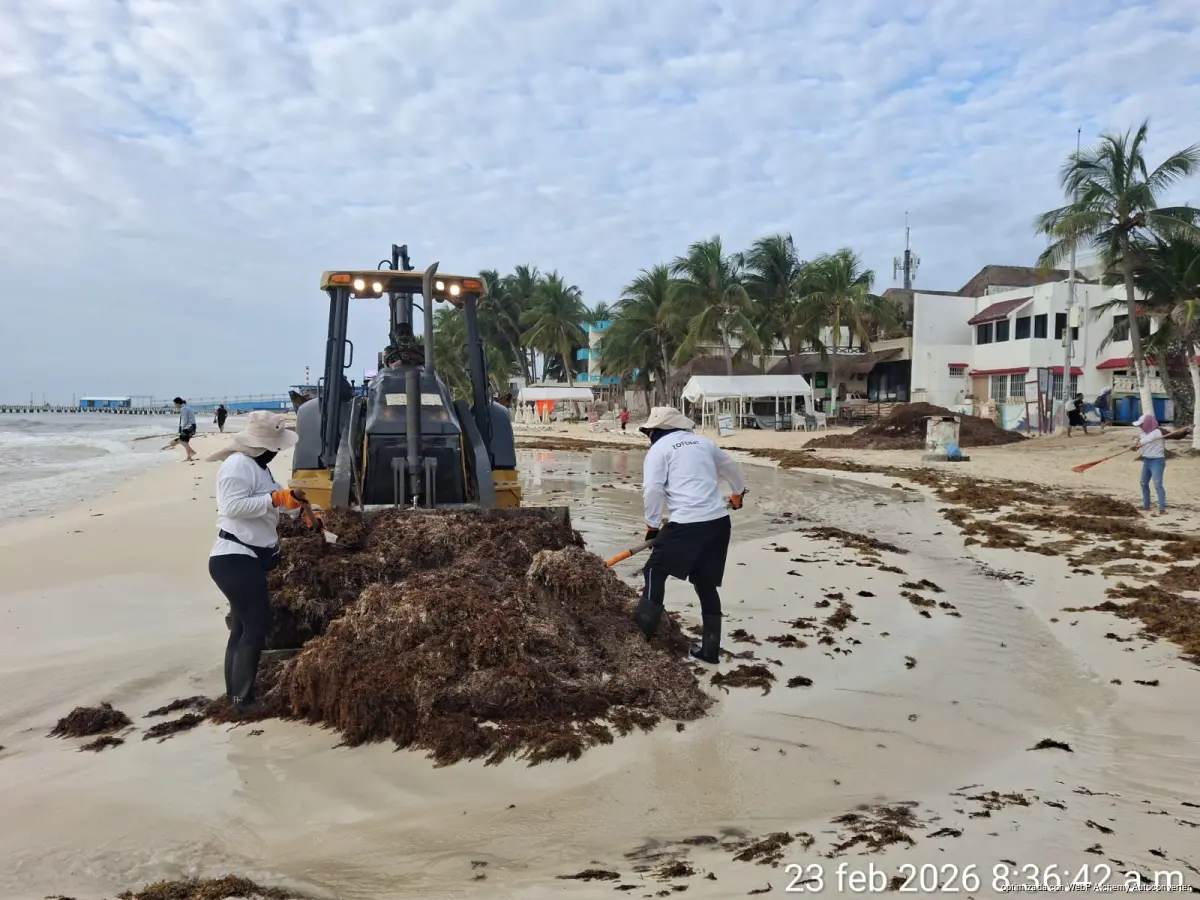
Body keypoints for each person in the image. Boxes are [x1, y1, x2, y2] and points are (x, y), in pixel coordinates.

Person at [207, 411, 306, 713]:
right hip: (234, 557)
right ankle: (244, 701)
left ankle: (235, 696)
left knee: (241, 628)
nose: (278, 451)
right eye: (277, 446)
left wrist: (300, 508)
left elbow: (276, 503)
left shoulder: (260, 468)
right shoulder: (238, 465)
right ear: (266, 445)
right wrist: (275, 499)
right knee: (256, 625)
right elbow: (232, 507)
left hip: (244, 558)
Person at [632, 407, 747, 664]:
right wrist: (738, 492)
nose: (648, 437)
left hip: (687, 524)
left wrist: (652, 525)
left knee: (654, 571)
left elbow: (652, 489)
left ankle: (641, 639)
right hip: (718, 523)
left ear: (657, 430)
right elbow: (731, 467)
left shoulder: (659, 450)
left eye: (649, 432)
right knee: (705, 583)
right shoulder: (704, 443)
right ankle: (709, 651)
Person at [1132, 414, 1166, 516]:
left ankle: (1162, 509)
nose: (1140, 426)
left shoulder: (1157, 432)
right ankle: (1146, 506)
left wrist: (1138, 443)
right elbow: (1141, 442)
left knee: (1158, 484)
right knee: (1143, 483)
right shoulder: (1143, 434)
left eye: (1141, 424)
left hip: (1157, 461)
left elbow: (1147, 440)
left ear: (1147, 423)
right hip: (1147, 460)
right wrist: (1136, 445)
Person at [174, 397, 197, 461]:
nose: (174, 405)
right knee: (185, 441)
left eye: (175, 404)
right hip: (192, 426)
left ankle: (192, 452)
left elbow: (185, 420)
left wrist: (182, 429)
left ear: (178, 403)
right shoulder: (186, 408)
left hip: (189, 426)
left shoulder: (183, 409)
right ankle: (189, 457)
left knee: (181, 440)